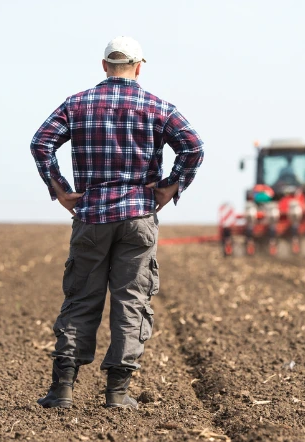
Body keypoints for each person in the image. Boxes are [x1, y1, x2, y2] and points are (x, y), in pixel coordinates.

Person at [30, 36, 204, 409]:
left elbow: (41, 142)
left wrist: (60, 189)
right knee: (132, 301)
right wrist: (171, 186)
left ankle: (62, 391)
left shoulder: (76, 104)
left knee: (81, 299)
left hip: (91, 216)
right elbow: (193, 147)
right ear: (139, 67)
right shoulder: (158, 107)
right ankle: (118, 393)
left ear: (104, 65)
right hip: (138, 217)